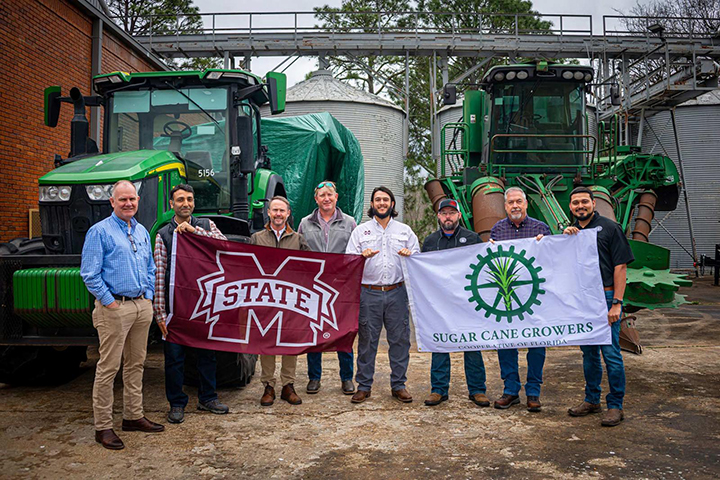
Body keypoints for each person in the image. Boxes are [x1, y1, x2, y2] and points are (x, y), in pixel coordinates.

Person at [80, 180, 164, 450]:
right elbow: (90, 275)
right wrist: (110, 303)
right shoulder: (99, 232)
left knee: (136, 365)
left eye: (132, 199)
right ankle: (103, 426)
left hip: (141, 306)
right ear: (112, 202)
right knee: (108, 368)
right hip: (114, 308)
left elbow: (150, 267)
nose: (128, 203)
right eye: (123, 199)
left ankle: (133, 416)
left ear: (138, 200)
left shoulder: (140, 230)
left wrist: (148, 296)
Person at [153, 184, 230, 424]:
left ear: (194, 202)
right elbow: (158, 276)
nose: (185, 203)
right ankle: (176, 403)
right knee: (175, 359)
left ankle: (208, 397)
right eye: (180, 200)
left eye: (189, 199)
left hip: (205, 305)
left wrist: (195, 232)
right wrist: (160, 313)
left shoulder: (207, 225)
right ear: (171, 205)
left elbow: (225, 246)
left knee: (208, 355)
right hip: (176, 308)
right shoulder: (163, 234)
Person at [563, 186, 634, 427]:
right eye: (575, 203)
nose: (580, 206)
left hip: (605, 298)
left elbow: (621, 267)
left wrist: (617, 303)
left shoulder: (610, 228)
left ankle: (616, 405)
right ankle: (592, 400)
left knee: (611, 354)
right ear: (570, 207)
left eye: (584, 201)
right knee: (589, 354)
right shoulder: (570, 234)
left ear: (594, 203)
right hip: (582, 301)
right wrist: (564, 238)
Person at [345, 186, 420, 404]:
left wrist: (410, 255)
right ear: (372, 204)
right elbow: (348, 262)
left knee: (400, 340)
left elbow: (419, 260)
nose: (381, 203)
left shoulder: (405, 231)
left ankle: (399, 385)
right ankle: (364, 386)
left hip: (397, 292)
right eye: (377, 200)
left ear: (392, 204)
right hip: (369, 293)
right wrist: (361, 256)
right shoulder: (360, 231)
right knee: (368, 341)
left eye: (385, 200)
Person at [421, 199, 490, 407]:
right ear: (438, 217)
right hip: (440, 304)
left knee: (472, 344)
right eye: (444, 213)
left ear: (459, 215)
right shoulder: (430, 241)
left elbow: (483, 268)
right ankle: (438, 389)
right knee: (440, 344)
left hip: (468, 302)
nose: (448, 217)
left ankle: (477, 390)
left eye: (452, 213)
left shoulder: (472, 238)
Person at [489, 186, 551, 412]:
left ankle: (533, 392)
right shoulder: (497, 230)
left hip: (535, 297)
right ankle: (511, 390)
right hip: (508, 298)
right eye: (510, 202)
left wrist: (546, 243)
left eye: (518, 201)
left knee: (536, 343)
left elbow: (553, 259)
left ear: (525, 204)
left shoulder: (540, 228)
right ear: (505, 206)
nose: (515, 205)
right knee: (506, 342)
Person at [297, 181, 357, 396]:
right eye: (322, 195)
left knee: (344, 332)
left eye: (330, 195)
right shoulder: (304, 223)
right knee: (314, 332)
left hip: (341, 287)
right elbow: (300, 253)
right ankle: (314, 378)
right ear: (316, 199)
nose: (326, 199)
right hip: (314, 287)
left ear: (336, 197)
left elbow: (355, 253)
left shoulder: (349, 222)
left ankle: (347, 378)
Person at [250, 196, 311, 406]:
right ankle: (268, 386)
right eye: (274, 210)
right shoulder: (256, 238)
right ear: (268, 212)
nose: (278, 214)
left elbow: (309, 268)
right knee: (266, 342)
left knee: (289, 342)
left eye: (281, 211)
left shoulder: (298, 238)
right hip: (264, 299)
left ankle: (288, 385)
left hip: (290, 300)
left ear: (288, 213)